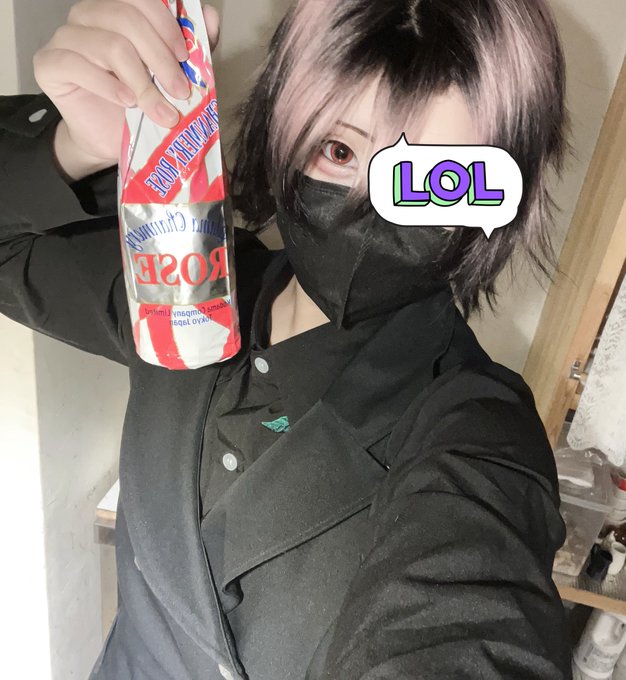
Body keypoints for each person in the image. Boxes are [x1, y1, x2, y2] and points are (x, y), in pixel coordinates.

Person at [0, 0, 573, 678]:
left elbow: (470, 613)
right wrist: (72, 147)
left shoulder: (477, 430)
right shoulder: (182, 279)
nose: (371, 209)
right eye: (339, 150)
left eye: (435, 181)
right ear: (281, 131)